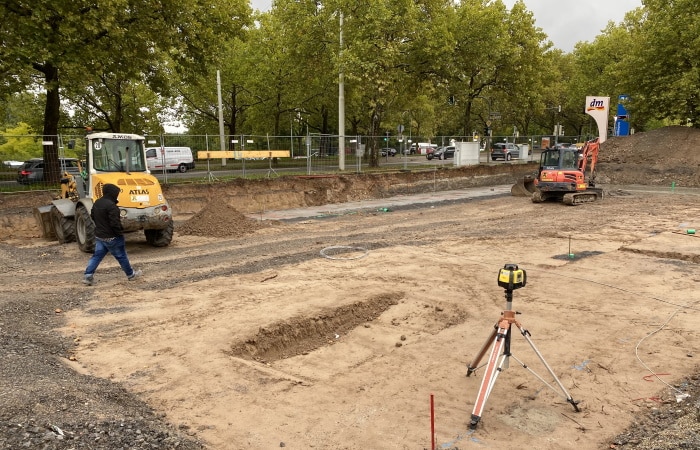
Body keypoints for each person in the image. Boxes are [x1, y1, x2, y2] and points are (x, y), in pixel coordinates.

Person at [82, 183, 141, 285]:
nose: (117, 195)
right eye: (116, 193)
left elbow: (93, 216)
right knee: (121, 256)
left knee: (97, 256)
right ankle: (131, 275)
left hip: (100, 236)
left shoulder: (97, 203)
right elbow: (115, 223)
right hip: (112, 237)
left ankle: (88, 276)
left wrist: (101, 227)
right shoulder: (112, 206)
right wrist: (120, 234)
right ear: (112, 193)